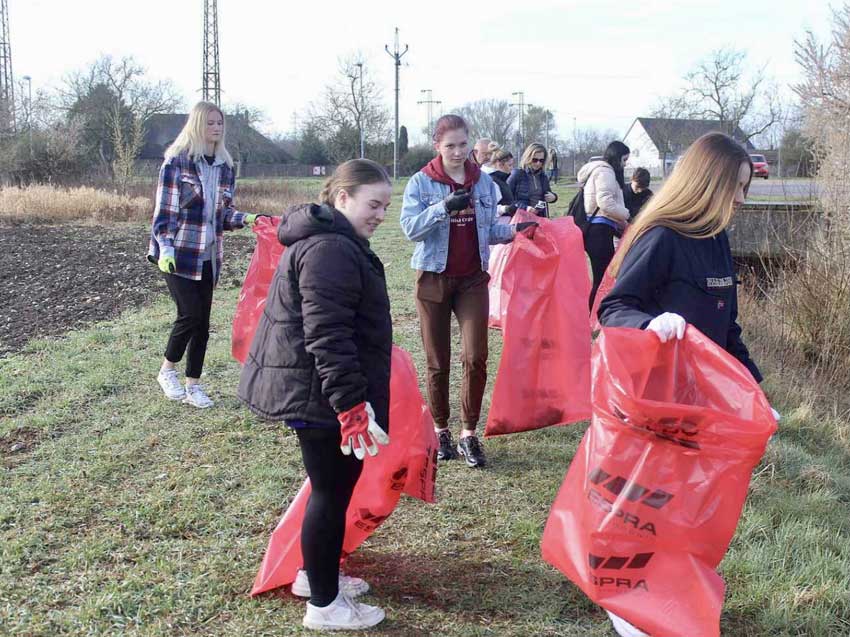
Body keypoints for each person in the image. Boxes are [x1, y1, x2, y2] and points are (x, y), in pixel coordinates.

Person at [596, 133, 779, 637]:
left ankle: (662, 586)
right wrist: (649, 325)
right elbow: (614, 306)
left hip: (702, 403)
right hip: (657, 398)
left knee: (685, 504)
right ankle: (622, 596)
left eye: (745, 188)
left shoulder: (718, 239)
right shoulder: (662, 236)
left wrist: (755, 394)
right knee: (644, 502)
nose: (741, 199)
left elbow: (730, 332)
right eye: (736, 187)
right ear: (709, 182)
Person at [238, 159, 394, 631]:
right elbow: (326, 334)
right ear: (342, 198)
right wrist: (349, 405)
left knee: (334, 490)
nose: (381, 215)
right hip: (322, 394)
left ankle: (314, 576)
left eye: (386, 205)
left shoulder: (336, 241)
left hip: (320, 390)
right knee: (329, 492)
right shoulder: (330, 249)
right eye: (373, 204)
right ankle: (324, 606)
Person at [400, 114, 537, 468]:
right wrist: (443, 207)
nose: (458, 152)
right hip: (434, 276)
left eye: (463, 144)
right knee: (437, 359)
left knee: (475, 355)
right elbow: (410, 229)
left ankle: (468, 433)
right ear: (437, 146)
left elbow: (490, 230)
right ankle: (440, 428)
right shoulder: (421, 182)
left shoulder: (484, 184)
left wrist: (518, 230)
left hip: (473, 279)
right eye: (450, 146)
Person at [147, 101, 261, 408]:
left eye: (220, 122)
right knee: (190, 315)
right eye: (211, 122)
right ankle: (167, 371)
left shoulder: (224, 167)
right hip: (177, 253)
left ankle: (193, 386)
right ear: (197, 124)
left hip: (208, 254)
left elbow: (223, 215)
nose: (217, 127)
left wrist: (248, 219)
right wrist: (166, 246)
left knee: (203, 322)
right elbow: (165, 211)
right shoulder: (176, 163)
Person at [577, 140, 631, 309]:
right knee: (603, 278)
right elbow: (605, 203)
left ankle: (594, 314)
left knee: (603, 277)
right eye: (624, 160)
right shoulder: (605, 172)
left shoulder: (602, 171)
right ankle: (593, 315)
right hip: (599, 230)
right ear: (617, 158)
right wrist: (626, 214)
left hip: (600, 229)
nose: (625, 164)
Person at [507, 143, 558, 217]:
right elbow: (507, 199)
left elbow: (548, 194)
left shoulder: (543, 176)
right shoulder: (517, 174)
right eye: (535, 160)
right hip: (521, 218)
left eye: (541, 160)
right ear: (528, 158)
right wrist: (525, 208)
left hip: (540, 218)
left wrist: (554, 197)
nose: (538, 163)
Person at [488, 147, 517, 217]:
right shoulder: (493, 182)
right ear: (499, 164)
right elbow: (489, 208)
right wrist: (505, 209)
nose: (512, 168)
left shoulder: (502, 181)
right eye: (509, 165)